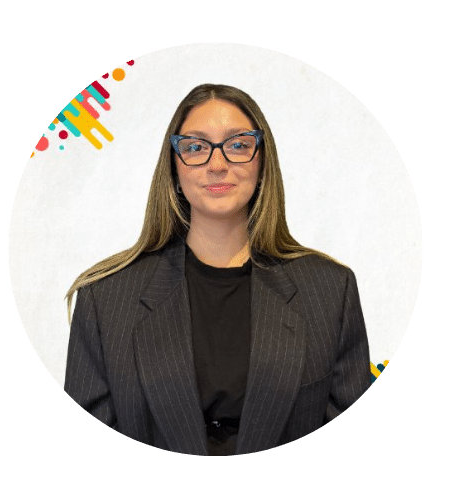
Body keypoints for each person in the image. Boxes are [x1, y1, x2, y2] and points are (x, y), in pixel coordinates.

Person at [64, 83, 371, 456]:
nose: (217, 164)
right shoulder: (105, 298)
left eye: (238, 145)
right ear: (174, 168)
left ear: (263, 163)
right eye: (196, 147)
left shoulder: (329, 291)